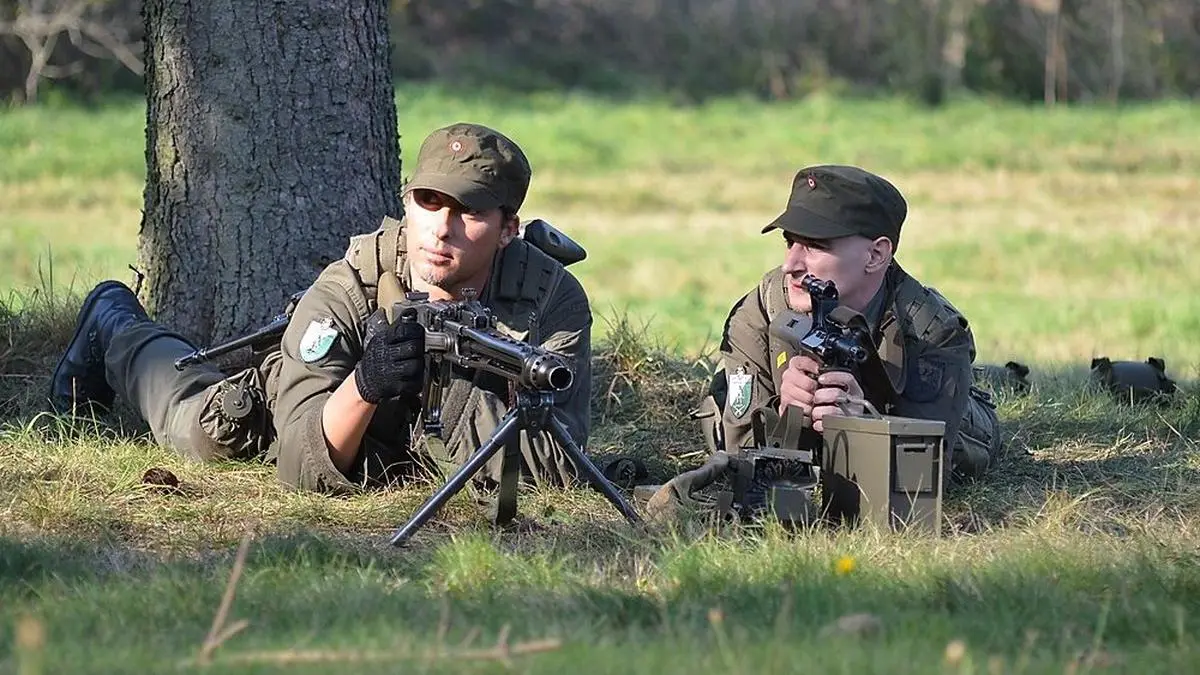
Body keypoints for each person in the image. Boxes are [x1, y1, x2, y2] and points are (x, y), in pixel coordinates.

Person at [49, 122, 594, 495]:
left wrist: (460, 384)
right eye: (429, 202)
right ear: (407, 203)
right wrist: (367, 384)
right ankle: (111, 320)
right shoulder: (352, 285)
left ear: (508, 230)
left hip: (401, 445)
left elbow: (560, 464)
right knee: (189, 415)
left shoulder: (548, 301)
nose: (442, 228)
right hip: (278, 413)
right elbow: (299, 468)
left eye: (470, 211)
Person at [695, 164, 1001, 487]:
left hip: (923, 404)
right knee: (719, 401)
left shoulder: (932, 333)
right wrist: (785, 414)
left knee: (969, 436)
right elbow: (738, 451)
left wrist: (865, 426)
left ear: (876, 255)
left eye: (814, 246)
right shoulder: (760, 312)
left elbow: (925, 476)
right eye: (790, 243)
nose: (790, 265)